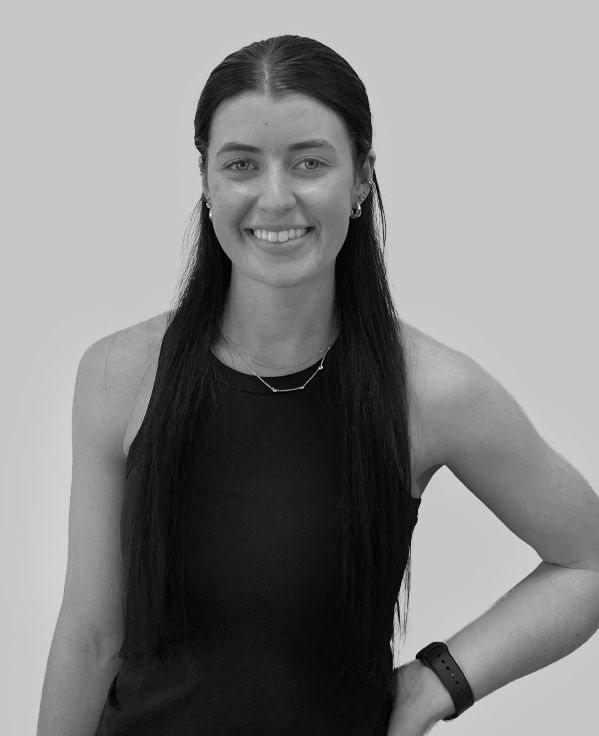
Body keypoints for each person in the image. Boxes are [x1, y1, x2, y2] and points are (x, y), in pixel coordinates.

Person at [37, 34, 599, 736]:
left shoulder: (429, 391)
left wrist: (438, 681)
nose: (275, 198)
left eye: (309, 162)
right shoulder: (118, 374)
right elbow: (91, 636)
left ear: (361, 179)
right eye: (241, 164)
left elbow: (587, 559)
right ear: (206, 180)